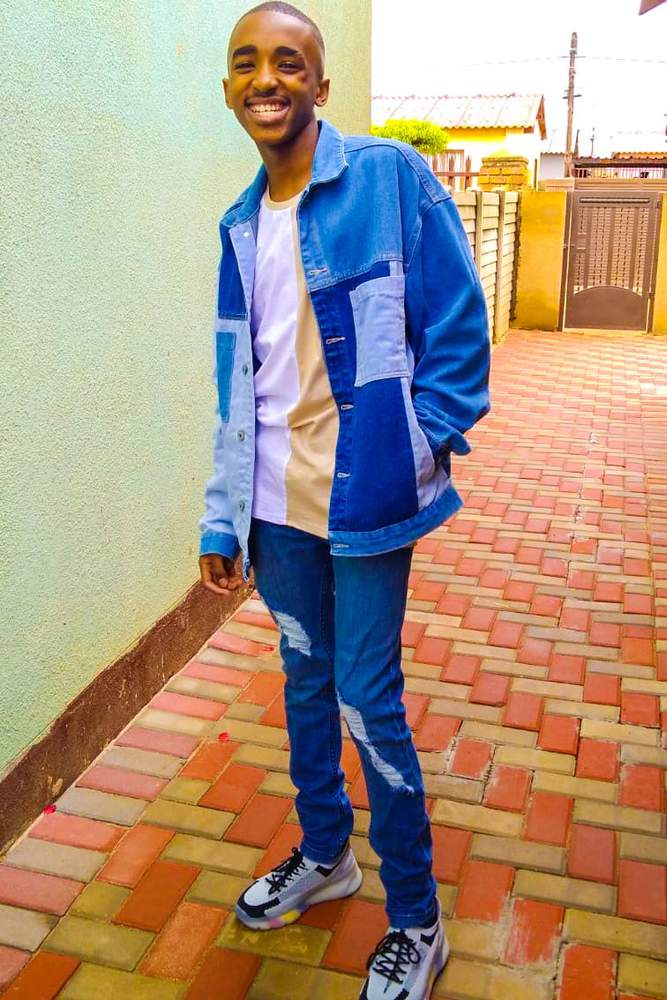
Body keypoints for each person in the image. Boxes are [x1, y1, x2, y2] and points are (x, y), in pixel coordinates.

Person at [198, 3, 490, 997]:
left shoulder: (387, 178)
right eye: (247, 64)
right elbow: (238, 384)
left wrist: (420, 437)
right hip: (276, 507)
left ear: (320, 86)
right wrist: (220, 512)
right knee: (304, 682)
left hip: (367, 500)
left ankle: (416, 917)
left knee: (368, 697)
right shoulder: (240, 226)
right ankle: (326, 853)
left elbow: (457, 321)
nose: (266, 79)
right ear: (229, 90)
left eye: (289, 62)